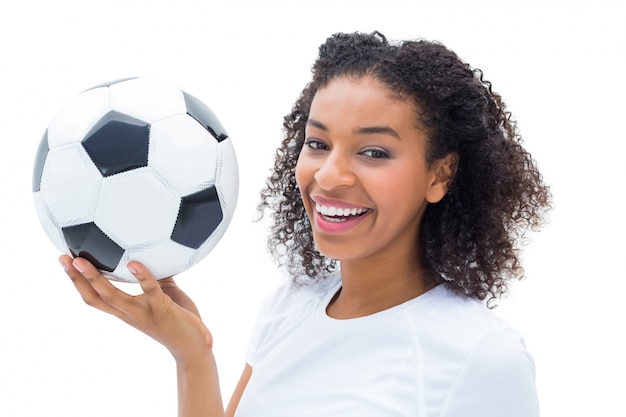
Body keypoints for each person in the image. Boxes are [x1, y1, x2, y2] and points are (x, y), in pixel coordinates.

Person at [59, 31, 551, 416]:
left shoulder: (481, 357)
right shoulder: (291, 304)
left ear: (439, 174)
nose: (329, 176)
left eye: (374, 152)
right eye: (317, 143)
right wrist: (193, 355)